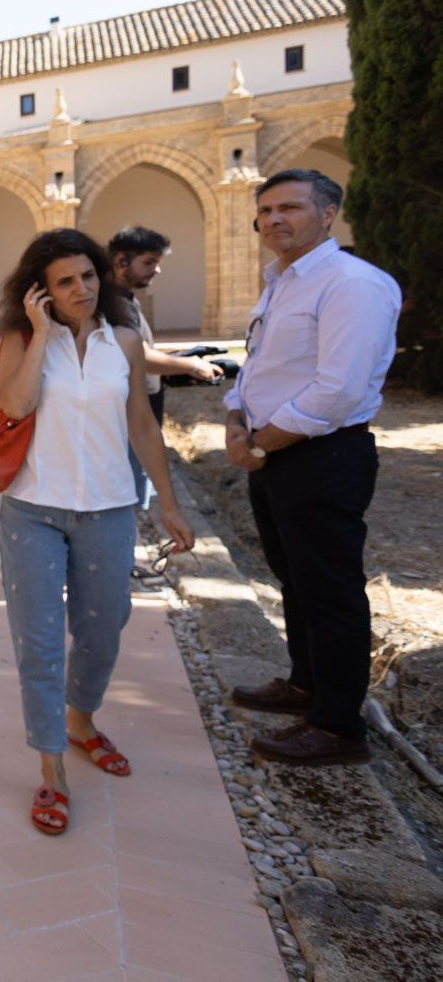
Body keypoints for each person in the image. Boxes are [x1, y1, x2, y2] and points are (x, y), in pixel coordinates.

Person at [0, 229, 195, 836]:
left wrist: (170, 506)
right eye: (64, 282)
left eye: (87, 275)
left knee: (104, 629)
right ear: (40, 291)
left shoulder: (124, 342)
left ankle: (80, 719)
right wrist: (41, 334)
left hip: (108, 506)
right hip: (33, 508)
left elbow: (142, 427)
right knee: (39, 642)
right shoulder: (20, 338)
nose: (81, 289)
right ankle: (51, 767)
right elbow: (16, 407)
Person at [224, 170, 400, 767]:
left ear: (328, 214)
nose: (274, 219)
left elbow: (338, 390)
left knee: (330, 591)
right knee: (294, 579)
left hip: (322, 456)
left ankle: (337, 727)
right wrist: (236, 421)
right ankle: (305, 685)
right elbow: (258, 367)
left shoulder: (352, 284)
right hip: (273, 453)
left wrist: (260, 443)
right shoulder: (280, 283)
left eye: (290, 207)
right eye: (265, 210)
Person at [105, 227, 220, 531]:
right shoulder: (114, 303)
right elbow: (139, 357)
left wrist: (180, 358)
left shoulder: (126, 298)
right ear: (121, 261)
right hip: (131, 420)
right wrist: (190, 366)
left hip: (142, 412)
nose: (156, 270)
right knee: (128, 501)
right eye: (149, 262)